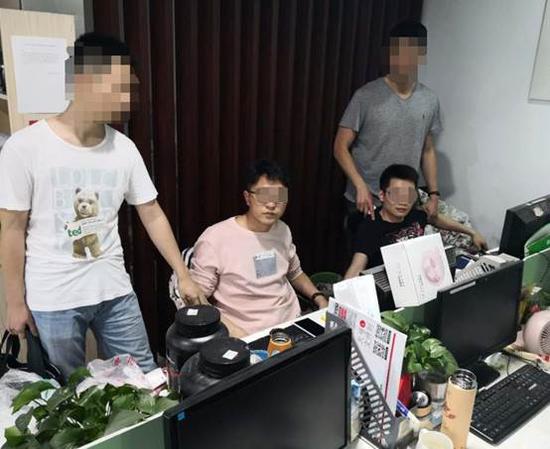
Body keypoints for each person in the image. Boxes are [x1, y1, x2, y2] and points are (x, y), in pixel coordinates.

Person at [0, 33, 205, 379]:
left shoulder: (124, 148)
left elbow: (151, 213)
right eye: (118, 87)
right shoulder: (24, 148)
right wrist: (15, 302)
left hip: (114, 289)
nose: (126, 99)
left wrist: (183, 274)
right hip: (53, 298)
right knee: (67, 391)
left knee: (142, 378)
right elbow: (12, 229)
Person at [189, 160, 329, 337]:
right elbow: (197, 298)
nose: (271, 205)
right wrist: (234, 332)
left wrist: (318, 297)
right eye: (264, 196)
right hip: (247, 334)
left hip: (293, 324)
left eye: (279, 197)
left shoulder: (282, 230)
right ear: (248, 198)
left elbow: (295, 273)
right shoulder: (215, 238)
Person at [334, 20, 442, 231]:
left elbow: (427, 150)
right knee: (364, 251)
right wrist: (359, 185)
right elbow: (340, 147)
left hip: (404, 201)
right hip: (366, 199)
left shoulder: (429, 100)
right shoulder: (366, 95)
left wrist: (434, 194)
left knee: (401, 251)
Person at [344, 164, 487, 279]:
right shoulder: (370, 227)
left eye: (409, 195)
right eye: (396, 194)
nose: (403, 202)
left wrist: (472, 232)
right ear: (382, 195)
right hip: (390, 285)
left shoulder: (414, 215)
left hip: (421, 276)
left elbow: (436, 219)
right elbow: (356, 267)